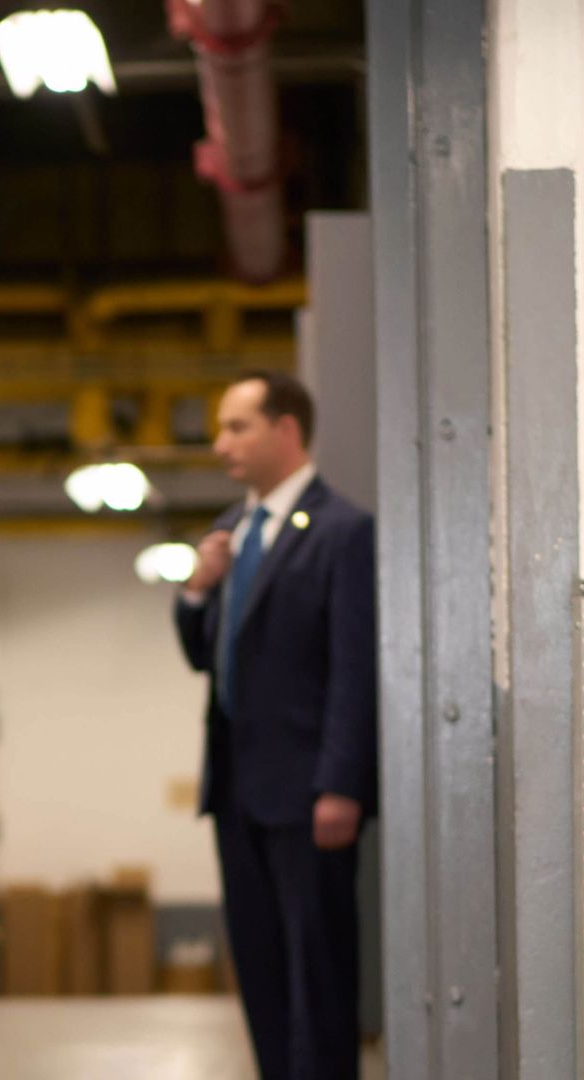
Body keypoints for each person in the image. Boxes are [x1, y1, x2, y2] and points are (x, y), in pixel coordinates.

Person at [174, 371, 376, 1080]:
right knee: (259, 968)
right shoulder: (229, 534)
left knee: (315, 971)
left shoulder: (342, 532)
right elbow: (206, 656)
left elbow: (355, 669)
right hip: (235, 790)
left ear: (285, 430)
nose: (220, 442)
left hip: (308, 794)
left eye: (238, 427)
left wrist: (342, 784)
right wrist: (197, 590)